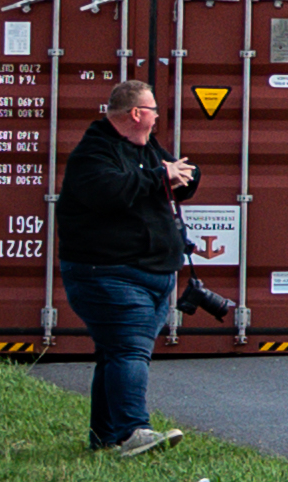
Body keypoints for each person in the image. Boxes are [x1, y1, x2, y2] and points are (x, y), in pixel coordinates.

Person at [55, 76, 194, 457]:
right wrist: (161, 176)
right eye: (153, 110)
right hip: (107, 273)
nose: (157, 117)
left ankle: (106, 436)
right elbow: (110, 192)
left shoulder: (147, 148)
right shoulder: (93, 154)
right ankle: (134, 430)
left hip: (155, 273)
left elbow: (165, 177)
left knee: (114, 353)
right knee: (130, 351)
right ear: (136, 113)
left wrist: (183, 177)